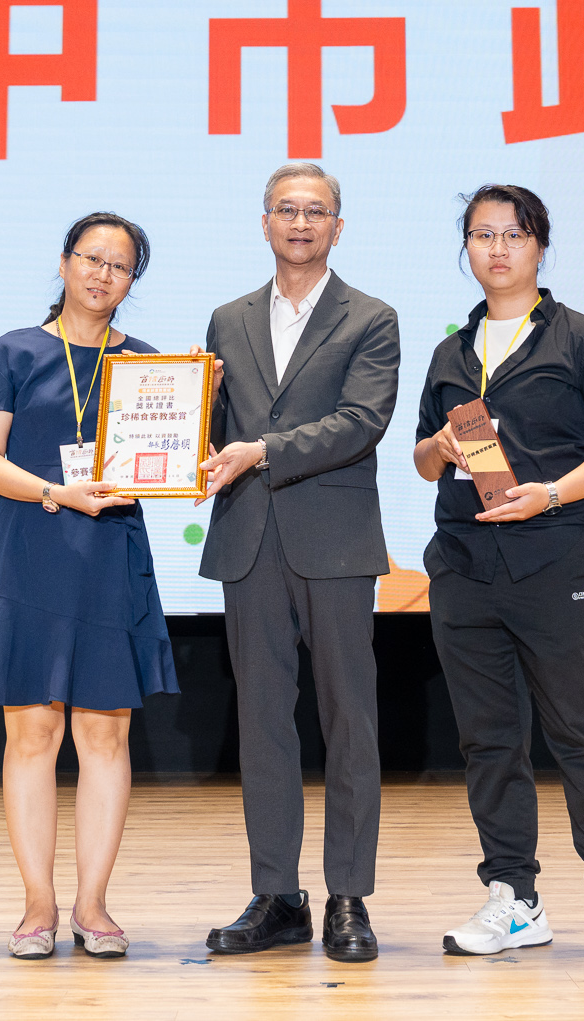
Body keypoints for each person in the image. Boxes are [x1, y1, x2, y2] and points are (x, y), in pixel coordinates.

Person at [411, 184, 584, 969]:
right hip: (464, 567)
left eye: (514, 234)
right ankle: (514, 898)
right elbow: (422, 458)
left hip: (558, 558)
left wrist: (552, 492)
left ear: (540, 246)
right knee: (489, 740)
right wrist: (439, 450)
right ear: (465, 247)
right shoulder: (452, 352)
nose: (498, 248)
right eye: (482, 234)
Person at [0, 211, 179, 962]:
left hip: (111, 556)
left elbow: (168, 460)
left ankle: (94, 905)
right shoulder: (14, 352)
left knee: (106, 735)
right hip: (31, 549)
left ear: (132, 280)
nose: (103, 274)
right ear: (64, 261)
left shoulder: (150, 366)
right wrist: (57, 492)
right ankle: (38, 906)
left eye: (120, 265)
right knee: (31, 735)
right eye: (91, 258)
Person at [195, 162, 400, 964]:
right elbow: (215, 431)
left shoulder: (371, 317)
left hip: (336, 539)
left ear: (338, 227)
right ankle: (278, 895)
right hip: (249, 537)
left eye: (317, 211)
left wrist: (261, 449)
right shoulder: (228, 318)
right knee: (261, 721)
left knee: (350, 718)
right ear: (265, 222)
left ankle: (349, 894)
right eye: (287, 208)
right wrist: (195, 409)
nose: (301, 222)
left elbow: (362, 420)